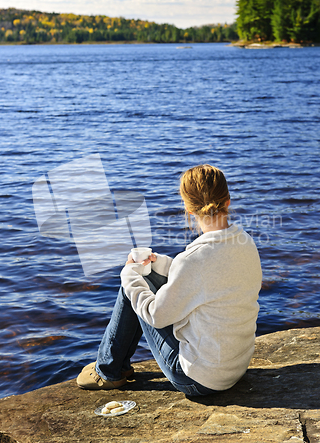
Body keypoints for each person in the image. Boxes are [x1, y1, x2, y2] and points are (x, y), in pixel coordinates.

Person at [77, 164, 262, 396]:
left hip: (199, 380)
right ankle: (115, 367)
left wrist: (128, 275)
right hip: (235, 368)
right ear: (228, 202)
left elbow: (156, 315)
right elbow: (210, 276)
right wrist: (158, 263)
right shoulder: (246, 243)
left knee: (131, 289)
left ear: (189, 209)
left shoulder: (193, 260)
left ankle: (109, 371)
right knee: (145, 277)